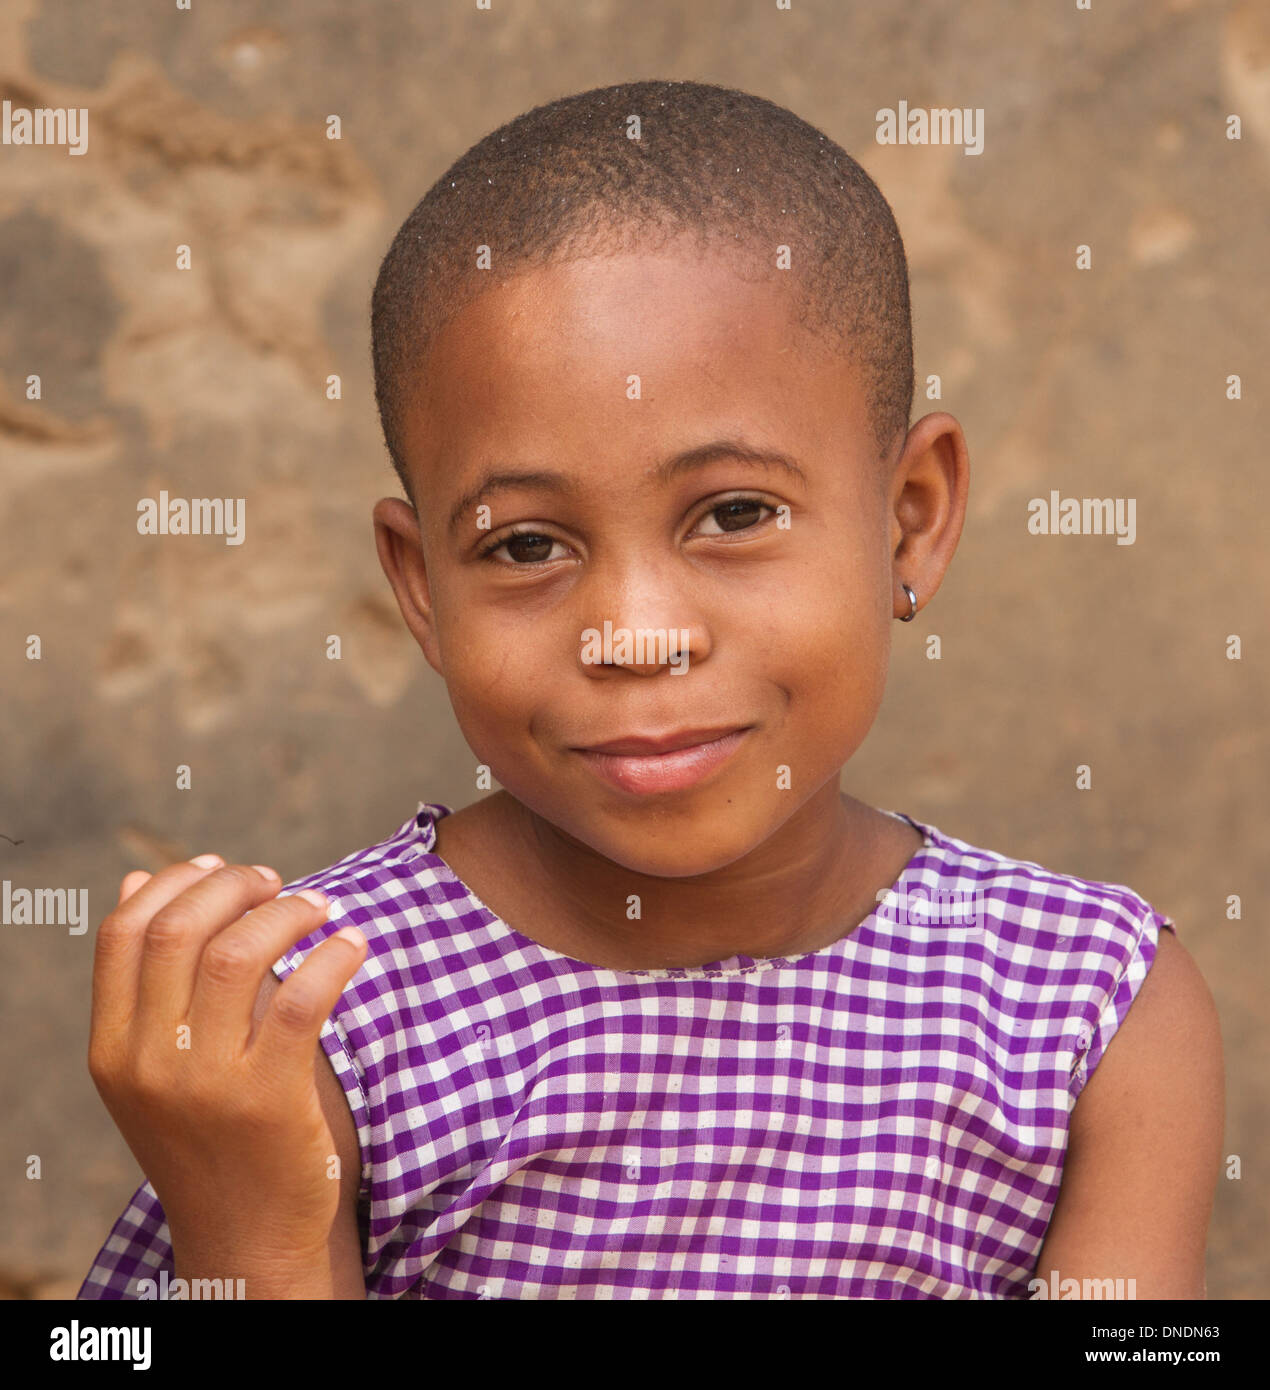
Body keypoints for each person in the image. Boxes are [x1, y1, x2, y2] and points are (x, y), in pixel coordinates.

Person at [78, 79, 1223, 1300]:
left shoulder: (1082, 1011)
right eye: (526, 545)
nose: (636, 636)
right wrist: (260, 1235)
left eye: (734, 514)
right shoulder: (314, 1021)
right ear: (421, 586)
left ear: (911, 517)